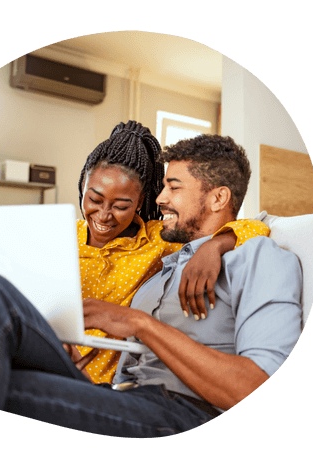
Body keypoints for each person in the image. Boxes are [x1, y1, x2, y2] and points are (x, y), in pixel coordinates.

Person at [0, 134, 302, 437]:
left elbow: (254, 386)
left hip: (183, 413)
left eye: (174, 187)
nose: (160, 198)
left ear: (218, 198)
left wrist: (140, 323)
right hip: (120, 394)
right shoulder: (165, 267)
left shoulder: (259, 257)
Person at [75, 121, 269, 383]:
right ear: (83, 187)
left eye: (121, 205)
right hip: (50, 360)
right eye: (94, 200)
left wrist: (216, 245)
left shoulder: (159, 239)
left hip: (102, 382)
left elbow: (258, 226)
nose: (104, 215)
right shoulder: (60, 237)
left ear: (140, 202)